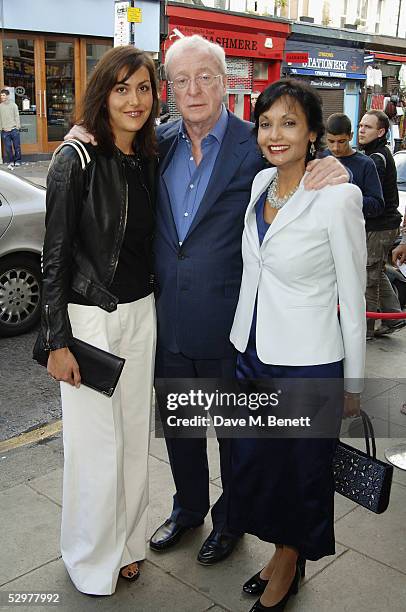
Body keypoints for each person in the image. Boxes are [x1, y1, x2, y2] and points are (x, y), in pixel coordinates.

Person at [65, 35, 350, 567]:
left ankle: (231, 521)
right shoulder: (158, 142)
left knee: (234, 439)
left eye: (205, 77)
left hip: (229, 324)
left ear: (226, 83)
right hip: (167, 318)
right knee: (181, 430)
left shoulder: (256, 143)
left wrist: (338, 168)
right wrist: (82, 132)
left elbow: (302, 175)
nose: (193, 89)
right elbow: (102, 163)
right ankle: (188, 508)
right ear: (168, 89)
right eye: (180, 80)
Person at [228, 79, 366, 611]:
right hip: (252, 350)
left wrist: (352, 385)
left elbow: (353, 296)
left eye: (289, 122)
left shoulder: (338, 195)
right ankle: (281, 553)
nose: (274, 133)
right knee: (258, 464)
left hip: (307, 362)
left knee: (298, 470)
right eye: (266, 123)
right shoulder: (262, 182)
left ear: (312, 132)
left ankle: (289, 561)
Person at [38, 45, 158, 595]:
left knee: (134, 440)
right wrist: (54, 341)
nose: (134, 100)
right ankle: (91, 557)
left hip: (142, 315)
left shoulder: (150, 155)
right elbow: (55, 254)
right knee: (93, 448)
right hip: (91, 321)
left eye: (143, 88)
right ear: (102, 93)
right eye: (121, 88)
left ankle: (127, 543)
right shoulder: (76, 158)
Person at [358, 110, 405, 338]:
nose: (361, 130)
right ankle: (393, 316)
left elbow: (369, 196)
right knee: (376, 271)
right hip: (383, 225)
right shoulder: (374, 154)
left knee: (369, 278)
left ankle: (366, 329)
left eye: (367, 127)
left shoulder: (377, 158)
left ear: (381, 131)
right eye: (360, 126)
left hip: (380, 226)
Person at [326, 112, 384, 218]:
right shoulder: (320, 158)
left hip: (351, 228)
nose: (335, 147)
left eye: (341, 141)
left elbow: (377, 205)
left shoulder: (366, 164)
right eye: (331, 141)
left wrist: (350, 197)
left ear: (351, 136)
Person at [0, 88, 22, 169]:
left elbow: (17, 116)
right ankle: (11, 161)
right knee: (8, 148)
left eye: (4, 95)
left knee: (17, 146)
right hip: (5, 131)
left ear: (8, 96)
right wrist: (1, 128)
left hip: (14, 129)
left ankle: (18, 161)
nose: (2, 97)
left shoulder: (13, 105)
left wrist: (17, 127)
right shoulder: (0, 106)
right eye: (1, 95)